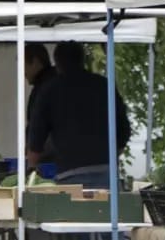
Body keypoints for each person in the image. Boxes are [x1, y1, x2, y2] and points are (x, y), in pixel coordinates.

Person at [26, 41, 130, 188]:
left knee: (73, 211)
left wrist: (32, 167)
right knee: (106, 210)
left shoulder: (50, 90)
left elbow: (36, 135)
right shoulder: (104, 86)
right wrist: (111, 155)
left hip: (70, 174)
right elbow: (124, 129)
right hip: (105, 173)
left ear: (57, 63)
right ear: (82, 60)